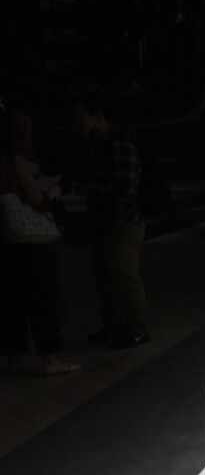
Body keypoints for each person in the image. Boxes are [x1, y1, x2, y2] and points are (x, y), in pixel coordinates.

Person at [0, 106, 80, 374]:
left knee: (15, 299)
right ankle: (50, 359)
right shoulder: (16, 161)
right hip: (33, 239)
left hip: (9, 238)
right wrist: (53, 195)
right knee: (43, 298)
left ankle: (15, 355)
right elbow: (36, 199)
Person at [73, 95, 149, 349]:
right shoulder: (99, 144)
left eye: (81, 117)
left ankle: (137, 328)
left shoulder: (118, 143)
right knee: (107, 276)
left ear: (96, 116)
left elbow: (126, 189)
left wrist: (91, 190)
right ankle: (115, 326)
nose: (78, 124)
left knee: (124, 275)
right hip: (108, 219)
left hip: (123, 221)